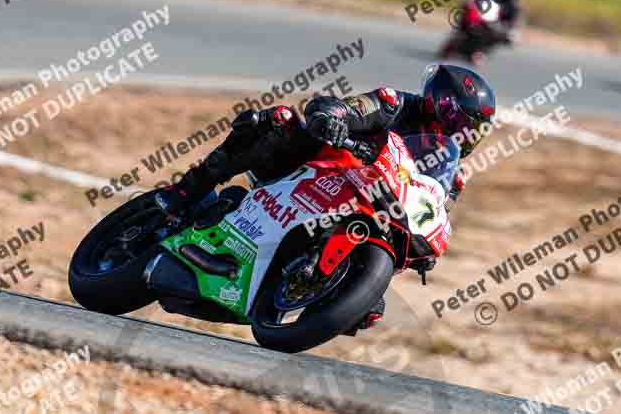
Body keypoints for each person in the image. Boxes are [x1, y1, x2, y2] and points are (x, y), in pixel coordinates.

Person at [155, 64, 496, 328]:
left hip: (368, 208)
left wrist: (420, 255)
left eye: (476, 129)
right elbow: (342, 108)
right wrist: (331, 118)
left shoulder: (453, 174)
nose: (466, 133)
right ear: (440, 104)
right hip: (318, 166)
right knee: (275, 122)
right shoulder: (393, 104)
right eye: (462, 121)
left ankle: (315, 282)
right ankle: (183, 192)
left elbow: (431, 212)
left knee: (370, 308)